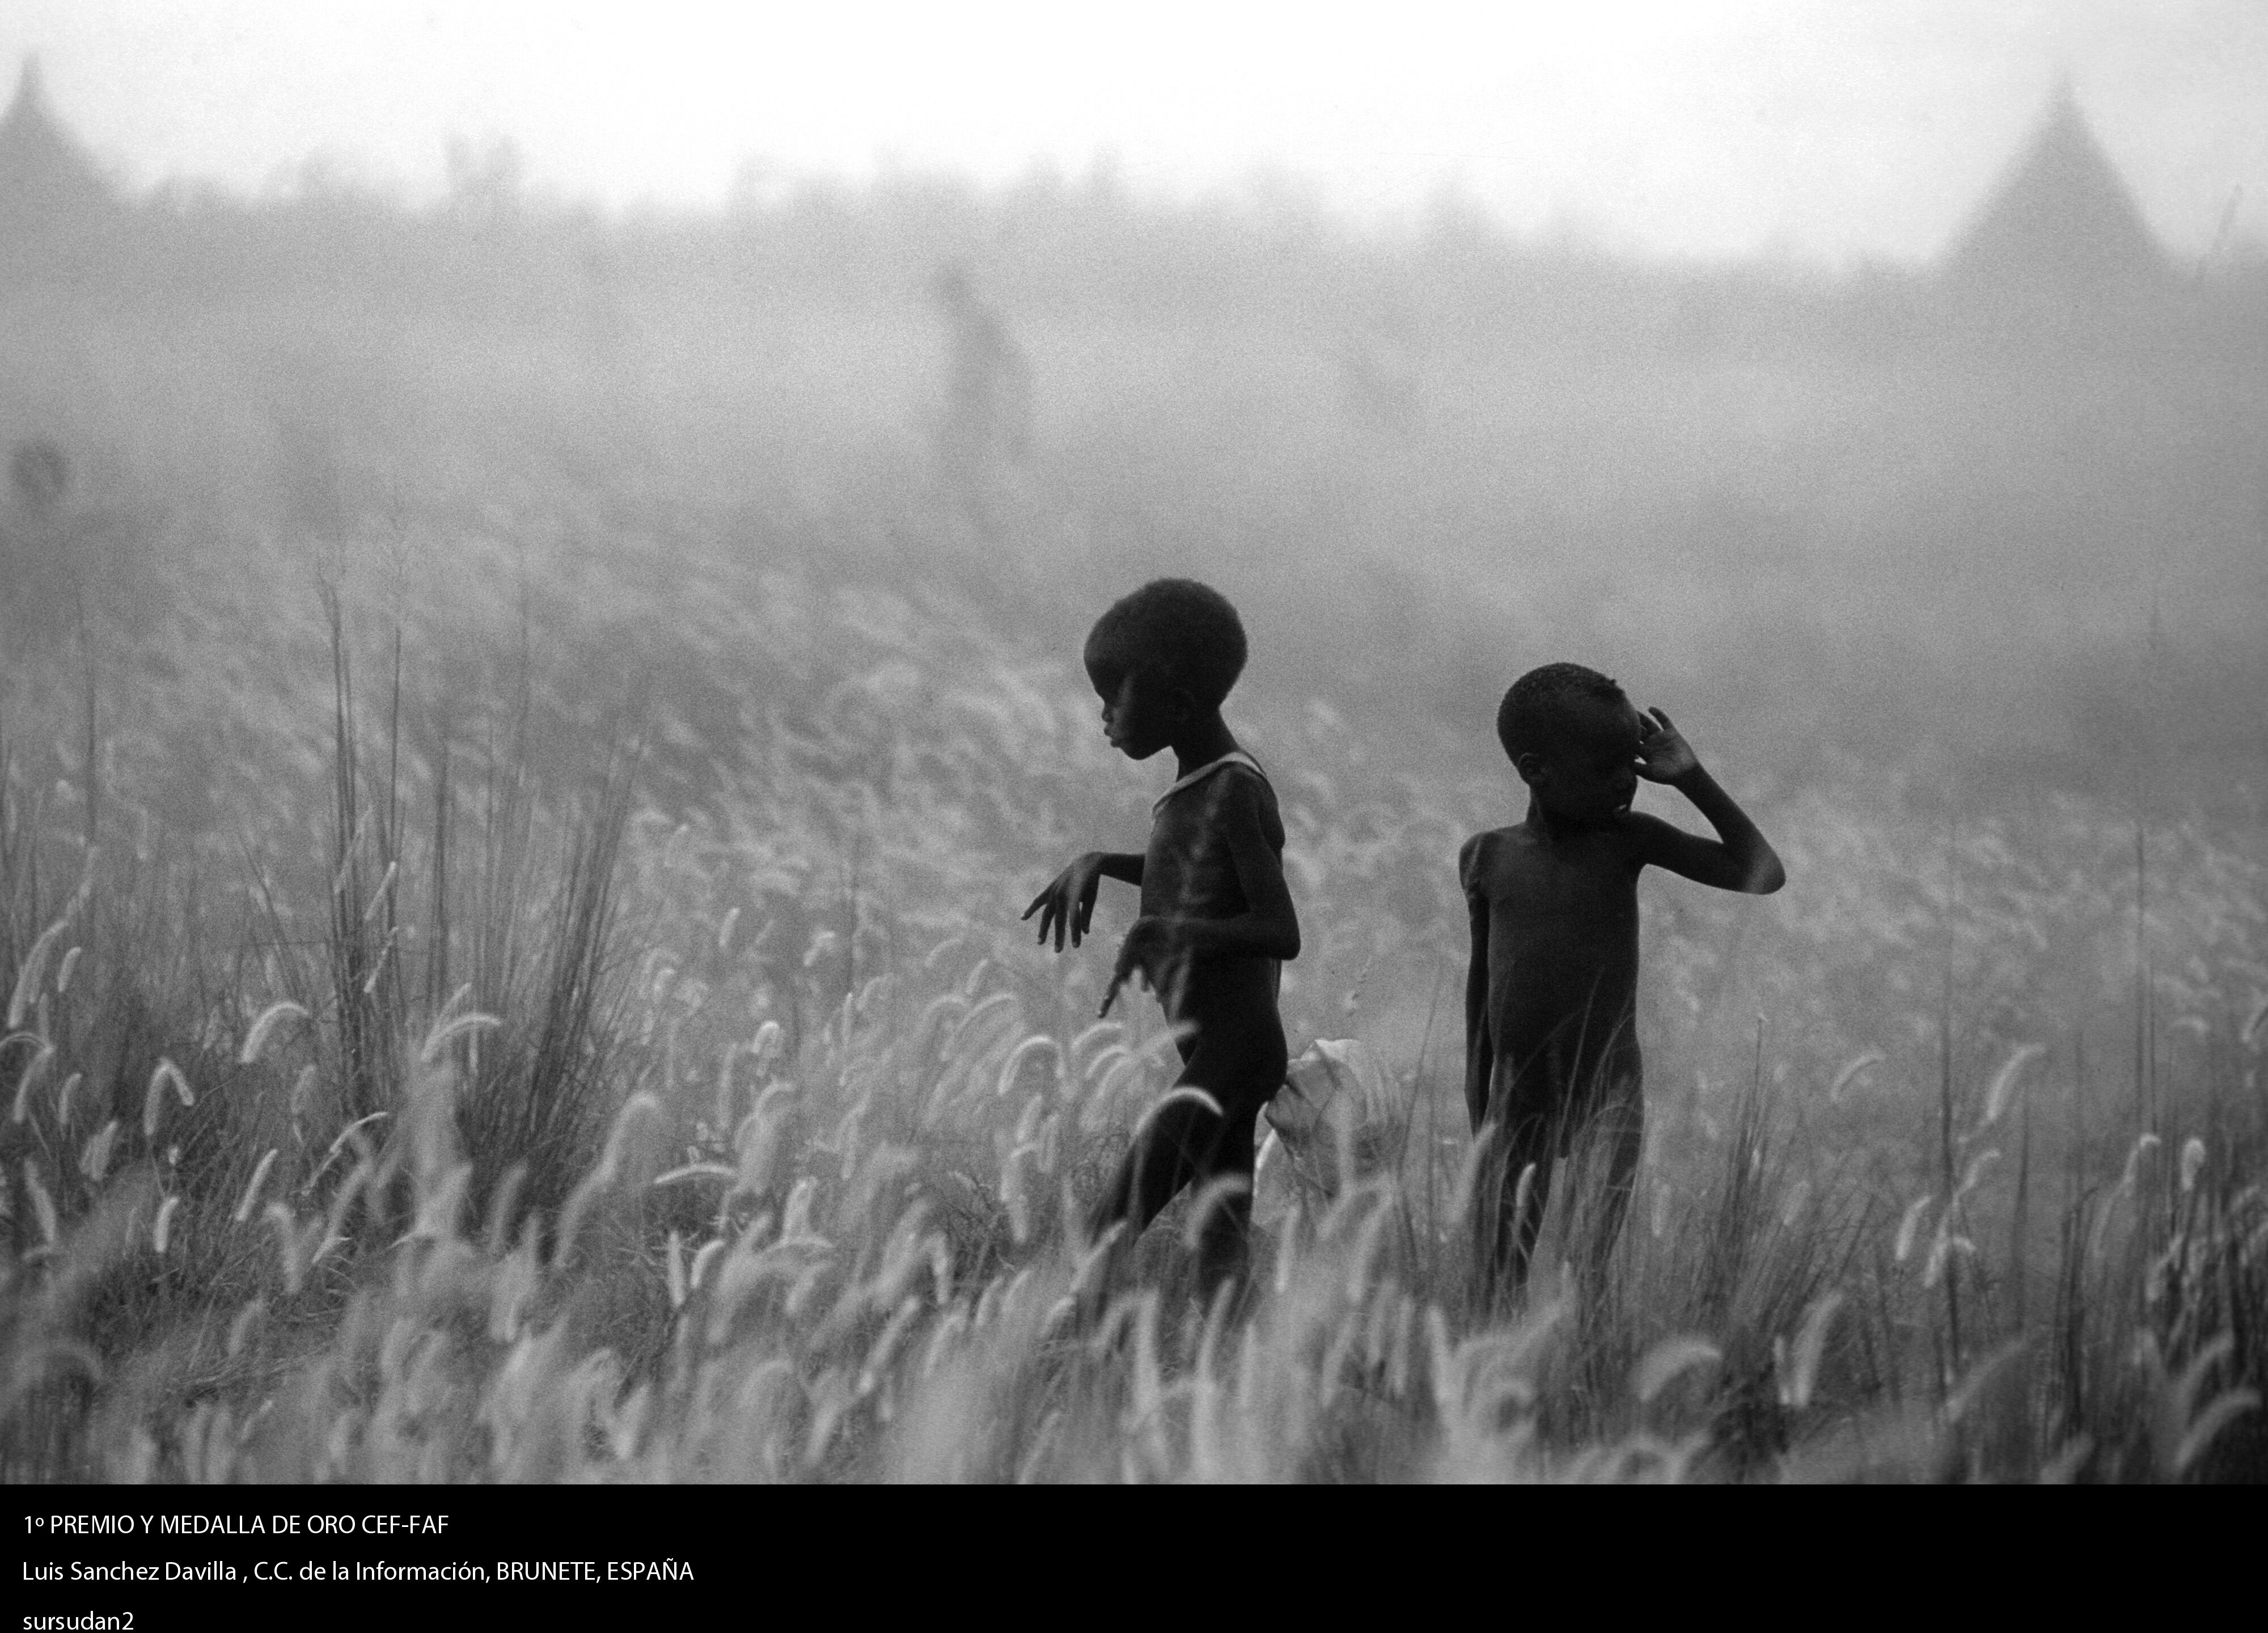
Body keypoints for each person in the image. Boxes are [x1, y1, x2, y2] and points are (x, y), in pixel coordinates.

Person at [1461, 662, 1783, 1305]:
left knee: (1585, 1283)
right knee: (1499, 1279)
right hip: (1516, 1096)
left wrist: (1693, 780)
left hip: (1608, 1093)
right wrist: (1479, 1107)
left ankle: (1579, 1388)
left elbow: (1760, 872)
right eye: (1606, 769)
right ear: (1534, 770)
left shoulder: (1627, 842)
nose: (1626, 784)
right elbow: (1481, 994)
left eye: (1629, 765)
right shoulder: (1486, 857)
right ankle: (1501, 1396)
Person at [1025, 579, 1300, 1301]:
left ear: (1177, 703)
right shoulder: (1195, 789)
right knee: (1218, 1245)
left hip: (1235, 1053)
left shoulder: (1235, 790)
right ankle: (1231, 1382)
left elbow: (1279, 929)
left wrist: (1164, 929)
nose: (1104, 714)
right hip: (1215, 1051)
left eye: (1115, 694)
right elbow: (1190, 873)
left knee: (1112, 1221)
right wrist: (1101, 864)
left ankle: (1061, 1365)